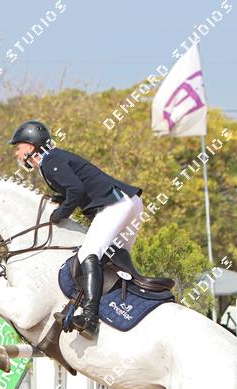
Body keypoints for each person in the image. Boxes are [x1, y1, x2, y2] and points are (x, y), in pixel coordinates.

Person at [9, 119, 143, 339]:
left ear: (31, 147)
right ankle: (131, 304)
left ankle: (90, 320)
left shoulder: (50, 161)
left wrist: (61, 213)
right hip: (129, 202)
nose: (17, 152)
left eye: (19, 147)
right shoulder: (52, 159)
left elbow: (76, 190)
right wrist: (62, 199)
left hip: (116, 205)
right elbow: (78, 187)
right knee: (115, 259)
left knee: (88, 254)